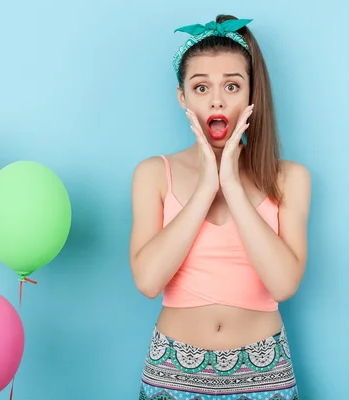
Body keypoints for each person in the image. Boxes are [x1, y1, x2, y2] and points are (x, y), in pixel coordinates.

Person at [129, 14, 311, 400]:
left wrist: (231, 182)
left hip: (265, 371)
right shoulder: (153, 174)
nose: (216, 100)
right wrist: (205, 188)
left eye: (232, 85)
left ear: (251, 94)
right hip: (172, 368)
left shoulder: (289, 178)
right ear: (182, 96)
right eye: (200, 87)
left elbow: (283, 283)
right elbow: (148, 281)